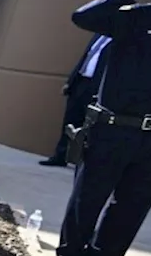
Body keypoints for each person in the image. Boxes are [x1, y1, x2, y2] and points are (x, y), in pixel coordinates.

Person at [55, 0, 151, 256]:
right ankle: (70, 254)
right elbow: (83, 16)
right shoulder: (141, 17)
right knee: (89, 195)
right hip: (111, 129)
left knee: (131, 208)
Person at [40, 34, 111, 167]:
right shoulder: (98, 36)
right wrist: (70, 82)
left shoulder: (121, 40)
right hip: (81, 81)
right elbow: (84, 58)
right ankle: (60, 156)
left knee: (89, 126)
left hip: (96, 86)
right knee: (70, 120)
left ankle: (82, 161)